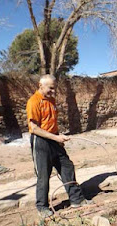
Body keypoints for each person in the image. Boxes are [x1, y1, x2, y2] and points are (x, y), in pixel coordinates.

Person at [26, 74, 88, 218]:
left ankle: (76, 199)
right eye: (51, 88)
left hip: (54, 139)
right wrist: (55, 137)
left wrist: (58, 138)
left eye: (55, 88)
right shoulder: (33, 101)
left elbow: (51, 121)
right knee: (43, 175)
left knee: (67, 166)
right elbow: (34, 128)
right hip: (40, 142)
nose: (53, 92)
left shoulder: (51, 100)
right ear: (41, 86)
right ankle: (42, 207)